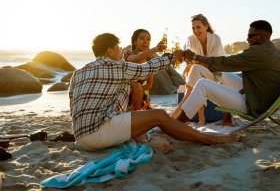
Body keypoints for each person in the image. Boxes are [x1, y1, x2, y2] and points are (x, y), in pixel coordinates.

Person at [69, 33, 238, 151]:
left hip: (81, 138)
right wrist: (173, 56)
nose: (120, 51)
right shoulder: (113, 66)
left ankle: (140, 136)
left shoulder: (78, 73)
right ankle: (211, 139)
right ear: (109, 51)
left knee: (133, 87)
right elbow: (148, 68)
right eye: (118, 48)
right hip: (99, 133)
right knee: (160, 116)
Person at [175, 20, 280, 126]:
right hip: (265, 100)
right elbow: (269, 79)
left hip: (255, 105)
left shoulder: (257, 52)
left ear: (261, 36)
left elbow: (226, 62)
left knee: (202, 84)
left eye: (250, 36)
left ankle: (177, 124)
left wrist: (195, 56)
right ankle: (227, 120)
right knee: (224, 74)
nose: (247, 39)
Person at [171, 14, 242, 126]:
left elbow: (214, 63)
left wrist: (193, 63)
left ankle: (178, 113)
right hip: (201, 73)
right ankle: (201, 118)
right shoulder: (190, 39)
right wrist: (189, 61)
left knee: (195, 71)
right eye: (193, 28)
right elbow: (188, 57)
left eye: (198, 27)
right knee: (195, 72)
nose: (195, 30)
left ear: (206, 27)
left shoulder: (215, 39)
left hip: (219, 74)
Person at [123, 29, 165, 111]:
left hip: (140, 95)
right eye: (142, 38)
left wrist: (138, 91)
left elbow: (149, 85)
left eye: (148, 39)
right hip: (124, 92)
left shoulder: (149, 61)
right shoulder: (127, 54)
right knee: (135, 85)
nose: (146, 41)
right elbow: (136, 58)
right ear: (135, 42)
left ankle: (139, 115)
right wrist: (155, 49)